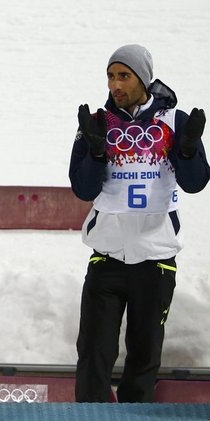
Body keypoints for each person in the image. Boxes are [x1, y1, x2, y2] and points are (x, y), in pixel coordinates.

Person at [70, 44, 208, 402]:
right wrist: (97, 152)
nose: (115, 84)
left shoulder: (174, 122)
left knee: (144, 358)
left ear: (142, 79)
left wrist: (189, 149)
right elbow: (82, 187)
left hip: (156, 259)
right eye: (111, 76)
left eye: (124, 76)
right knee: (93, 356)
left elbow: (194, 183)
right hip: (107, 259)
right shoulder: (96, 123)